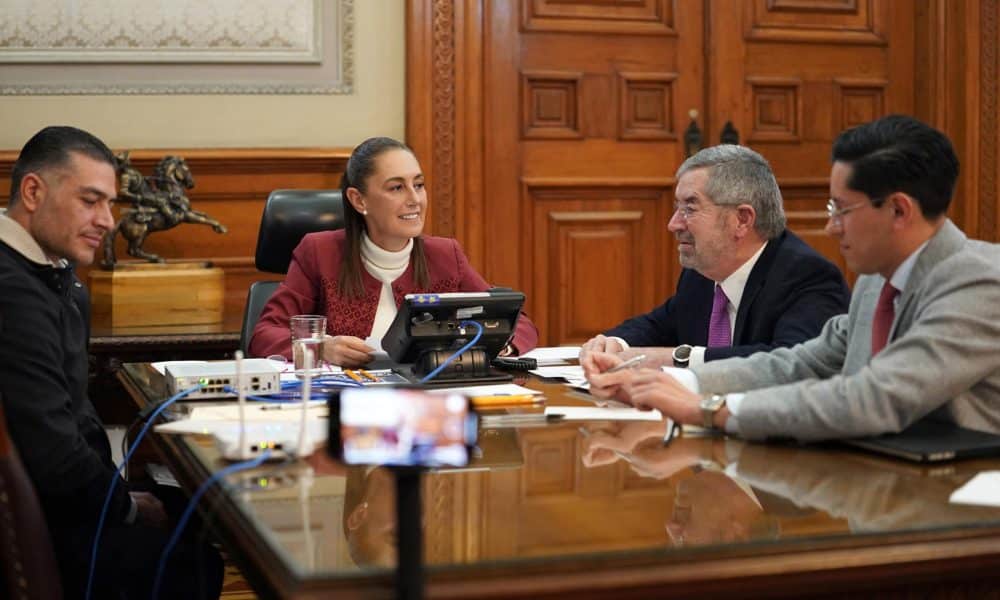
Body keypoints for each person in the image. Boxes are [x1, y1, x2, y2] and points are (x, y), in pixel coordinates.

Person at [586, 115, 1000, 441]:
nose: (832, 227)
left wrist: (711, 410)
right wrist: (664, 383)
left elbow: (876, 397)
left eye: (842, 210)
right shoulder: (878, 282)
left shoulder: (980, 283)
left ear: (898, 211)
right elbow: (801, 363)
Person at [0, 126, 223, 598]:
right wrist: (127, 507)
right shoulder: (12, 291)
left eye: (110, 204)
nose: (106, 220)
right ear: (34, 192)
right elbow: (55, 457)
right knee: (198, 553)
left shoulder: (56, 276)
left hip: (69, 506)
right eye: (89, 200)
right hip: (49, 530)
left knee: (196, 514)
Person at [250, 136, 539, 367]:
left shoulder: (445, 255)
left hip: (428, 404)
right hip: (344, 405)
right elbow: (264, 335)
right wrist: (322, 348)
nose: (415, 200)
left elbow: (517, 323)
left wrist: (501, 344)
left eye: (419, 185)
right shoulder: (319, 252)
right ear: (358, 199)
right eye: (397, 188)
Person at [580, 144, 849, 371]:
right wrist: (613, 343)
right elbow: (660, 324)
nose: (673, 224)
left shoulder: (808, 277)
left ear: (742, 220)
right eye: (678, 208)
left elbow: (788, 365)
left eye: (690, 208)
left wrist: (677, 358)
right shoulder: (702, 273)